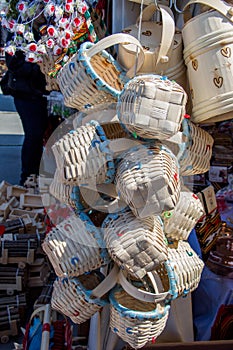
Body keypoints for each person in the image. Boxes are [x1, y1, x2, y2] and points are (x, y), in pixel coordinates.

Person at [5, 15, 49, 186]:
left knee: (41, 134)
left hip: (43, 93)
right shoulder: (20, 32)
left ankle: (36, 175)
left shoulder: (49, 31)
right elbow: (12, 63)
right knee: (34, 133)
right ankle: (28, 177)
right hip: (25, 92)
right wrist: (38, 66)